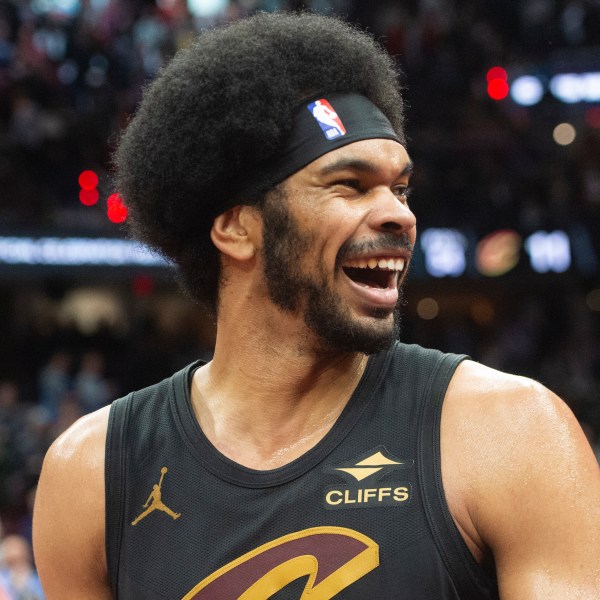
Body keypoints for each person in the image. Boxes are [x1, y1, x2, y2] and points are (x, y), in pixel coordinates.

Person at [32, 11, 600, 600]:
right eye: (350, 185)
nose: (399, 214)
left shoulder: (511, 432)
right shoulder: (93, 472)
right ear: (236, 229)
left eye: (399, 188)